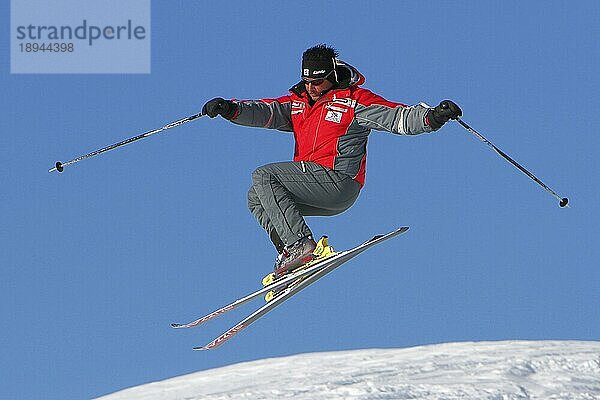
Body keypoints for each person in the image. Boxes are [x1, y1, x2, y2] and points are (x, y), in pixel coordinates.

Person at [202, 44, 461, 278]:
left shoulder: (353, 101)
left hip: (339, 181)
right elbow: (266, 112)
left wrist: (433, 117)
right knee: (256, 196)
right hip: (313, 185)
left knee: (263, 175)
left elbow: (395, 117)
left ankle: (300, 245)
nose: (312, 88)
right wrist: (230, 109)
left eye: (318, 82)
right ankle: (292, 256)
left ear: (333, 75)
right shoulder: (299, 103)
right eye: (307, 82)